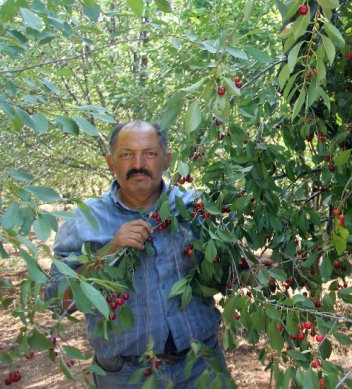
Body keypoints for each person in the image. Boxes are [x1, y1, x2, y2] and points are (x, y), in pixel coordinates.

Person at [46, 121, 233, 388]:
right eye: (126, 154)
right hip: (125, 376)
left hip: (202, 367)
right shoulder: (83, 220)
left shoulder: (195, 208)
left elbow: (223, 272)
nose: (138, 163)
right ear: (110, 163)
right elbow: (59, 299)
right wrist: (109, 251)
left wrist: (252, 270)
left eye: (150, 153)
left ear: (166, 160)